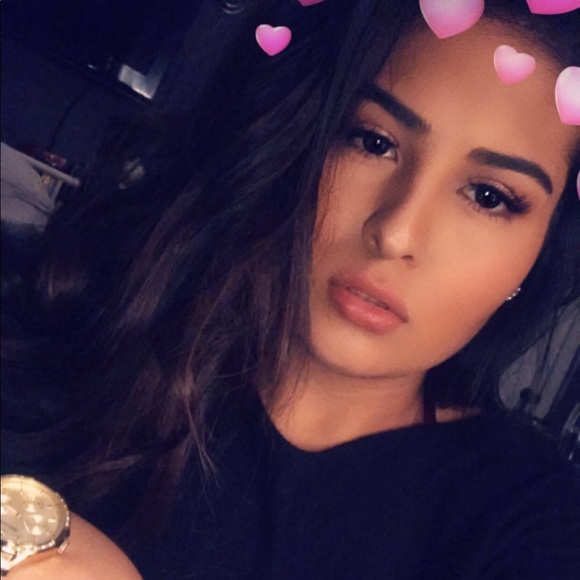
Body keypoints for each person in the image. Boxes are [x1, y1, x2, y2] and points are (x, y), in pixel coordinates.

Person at [1, 0, 579, 578]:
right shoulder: (73, 324)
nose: (396, 233)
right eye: (373, 142)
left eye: (489, 197)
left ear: (538, 258)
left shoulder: (531, 519)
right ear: (297, 137)